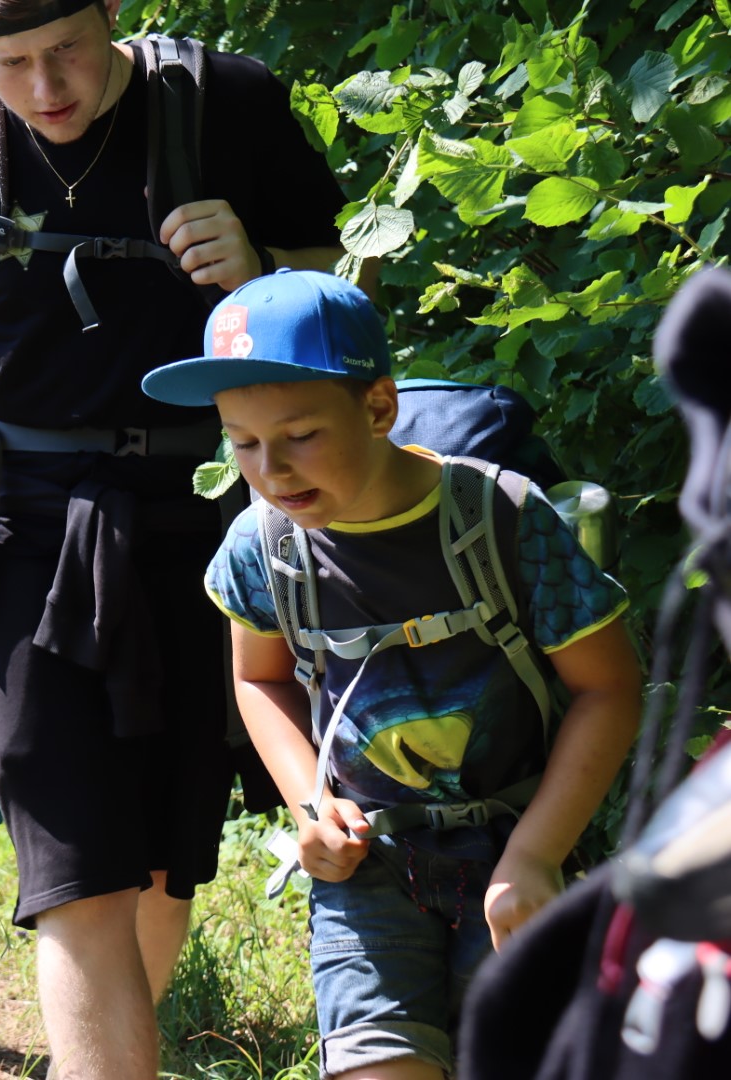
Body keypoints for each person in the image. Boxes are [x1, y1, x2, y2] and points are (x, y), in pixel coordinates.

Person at [0, 0, 344, 1074]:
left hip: (207, 530)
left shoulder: (228, 109)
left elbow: (351, 312)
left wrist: (265, 273)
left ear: (111, 9)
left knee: (164, 870)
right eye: (10, 62)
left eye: (66, 49)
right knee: (78, 876)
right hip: (17, 530)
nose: (44, 88)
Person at [143, 269, 642, 1079]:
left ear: (378, 407)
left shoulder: (503, 519)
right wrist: (311, 804)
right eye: (243, 442)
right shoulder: (260, 547)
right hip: (368, 869)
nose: (272, 469)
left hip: (517, 846)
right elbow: (258, 680)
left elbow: (608, 687)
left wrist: (536, 855)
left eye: (300, 434)